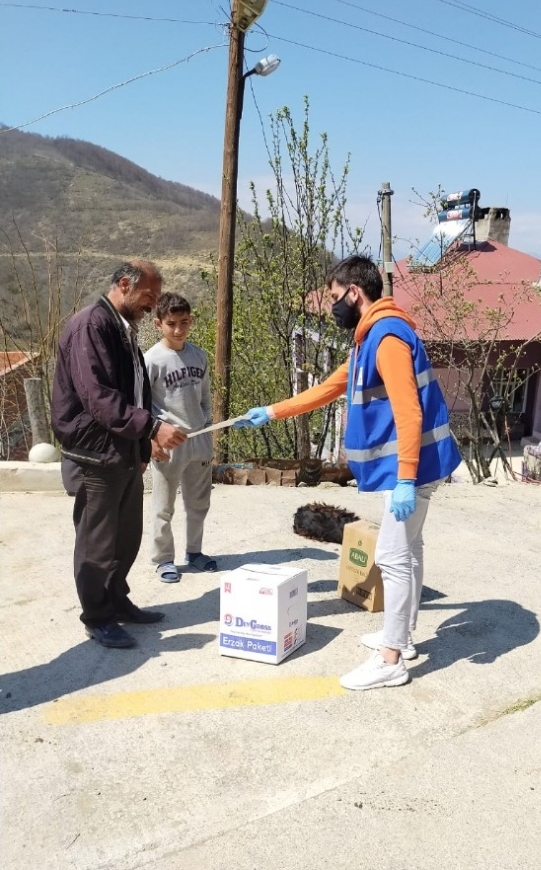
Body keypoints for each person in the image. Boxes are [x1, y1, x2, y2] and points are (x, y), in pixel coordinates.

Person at [235, 254, 462, 690]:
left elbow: (408, 412)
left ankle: (391, 659)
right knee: (408, 551)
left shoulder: (388, 336)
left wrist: (407, 478)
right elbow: (328, 388)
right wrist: (272, 411)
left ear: (354, 293)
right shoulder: (368, 338)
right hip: (412, 468)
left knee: (393, 557)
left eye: (335, 297)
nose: (332, 306)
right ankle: (404, 637)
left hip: (413, 469)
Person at [51, 261, 188, 649]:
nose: (153, 304)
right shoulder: (91, 326)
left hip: (123, 450)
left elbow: (134, 392)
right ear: (124, 285)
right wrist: (152, 428)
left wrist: (145, 441)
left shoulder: (123, 328)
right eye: (149, 296)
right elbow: (99, 398)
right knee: (97, 542)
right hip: (95, 454)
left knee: (126, 536)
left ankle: (116, 600)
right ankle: (96, 616)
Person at [145, 292, 216, 583]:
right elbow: (142, 403)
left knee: (199, 502)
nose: (178, 329)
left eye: (184, 322)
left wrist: (206, 427)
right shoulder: (151, 359)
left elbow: (205, 397)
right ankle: (163, 559)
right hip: (167, 442)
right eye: (171, 323)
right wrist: (151, 440)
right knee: (163, 505)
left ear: (191, 321)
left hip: (198, 440)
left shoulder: (199, 356)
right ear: (158, 323)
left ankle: (195, 552)